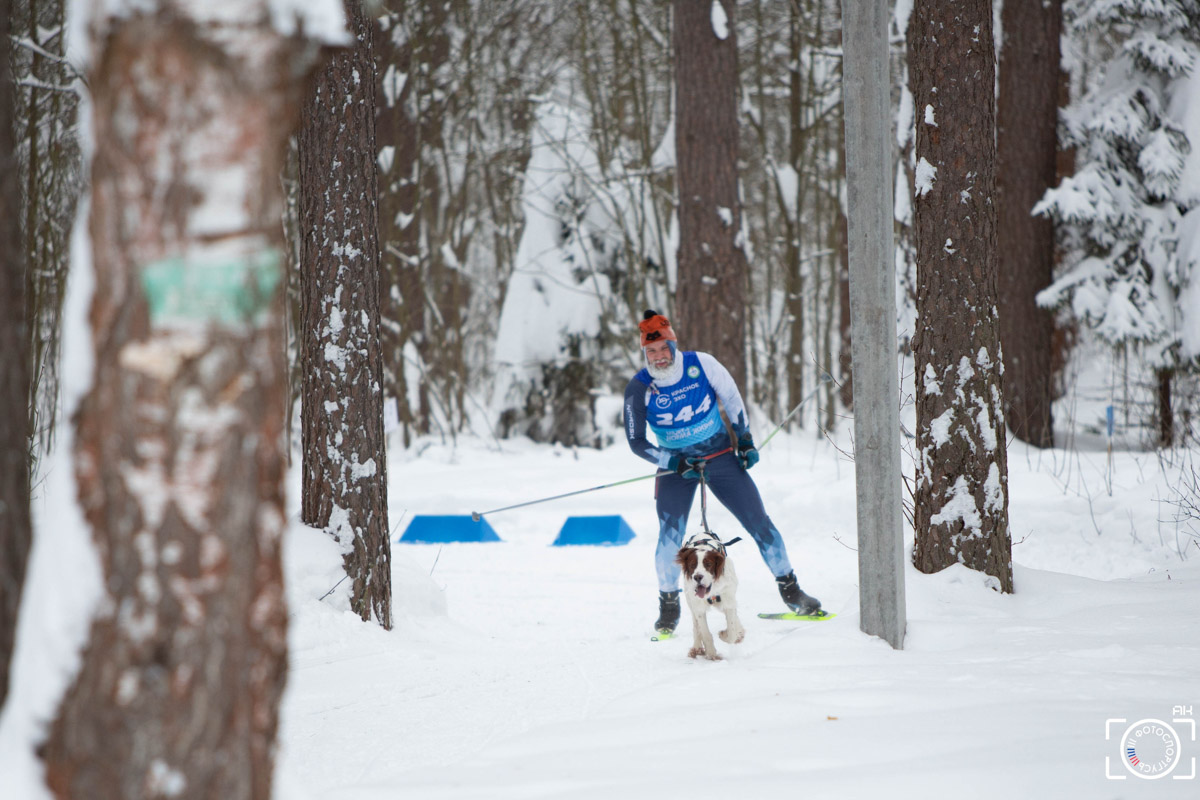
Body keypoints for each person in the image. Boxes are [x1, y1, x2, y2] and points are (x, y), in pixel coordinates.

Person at [623, 309, 822, 634]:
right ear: (645, 352)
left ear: (674, 346)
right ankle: (669, 607)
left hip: (719, 455)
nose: (659, 357)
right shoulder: (639, 388)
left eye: (663, 349)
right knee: (669, 538)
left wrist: (744, 440)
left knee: (759, 522)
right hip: (676, 467)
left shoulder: (701, 364)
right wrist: (671, 462)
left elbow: (731, 398)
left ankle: (792, 592)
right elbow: (635, 442)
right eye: (651, 351)